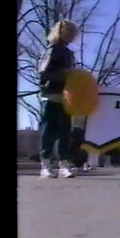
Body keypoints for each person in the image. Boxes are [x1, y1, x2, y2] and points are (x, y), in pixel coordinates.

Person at [38, 20, 79, 178]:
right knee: (48, 131)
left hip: (66, 96)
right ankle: (46, 164)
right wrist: (65, 75)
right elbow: (43, 72)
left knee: (64, 132)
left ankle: (63, 164)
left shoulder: (68, 53)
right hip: (51, 94)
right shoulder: (52, 49)